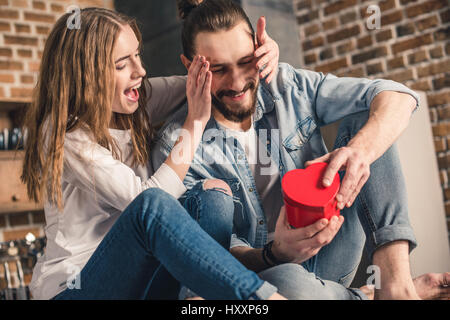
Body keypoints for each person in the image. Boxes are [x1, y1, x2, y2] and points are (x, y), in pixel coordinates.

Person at [152, 0, 450, 300]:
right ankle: (365, 296)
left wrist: (359, 151)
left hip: (332, 241)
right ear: (190, 67)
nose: (238, 82)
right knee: (289, 282)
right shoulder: (177, 146)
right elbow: (208, 256)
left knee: (367, 118)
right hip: (268, 278)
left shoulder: (286, 85)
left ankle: (395, 284)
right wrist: (274, 253)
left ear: (259, 47)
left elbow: (399, 96)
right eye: (218, 70)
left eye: (245, 62)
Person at [20, 7, 286, 300]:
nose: (140, 70)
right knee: (152, 205)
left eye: (137, 55)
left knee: (213, 194)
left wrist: (260, 57)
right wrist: (195, 124)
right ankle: (263, 299)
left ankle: (200, 297)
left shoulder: (136, 101)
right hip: (78, 288)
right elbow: (145, 204)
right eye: (122, 64)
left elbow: (203, 82)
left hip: (138, 286)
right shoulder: (64, 134)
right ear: (87, 76)